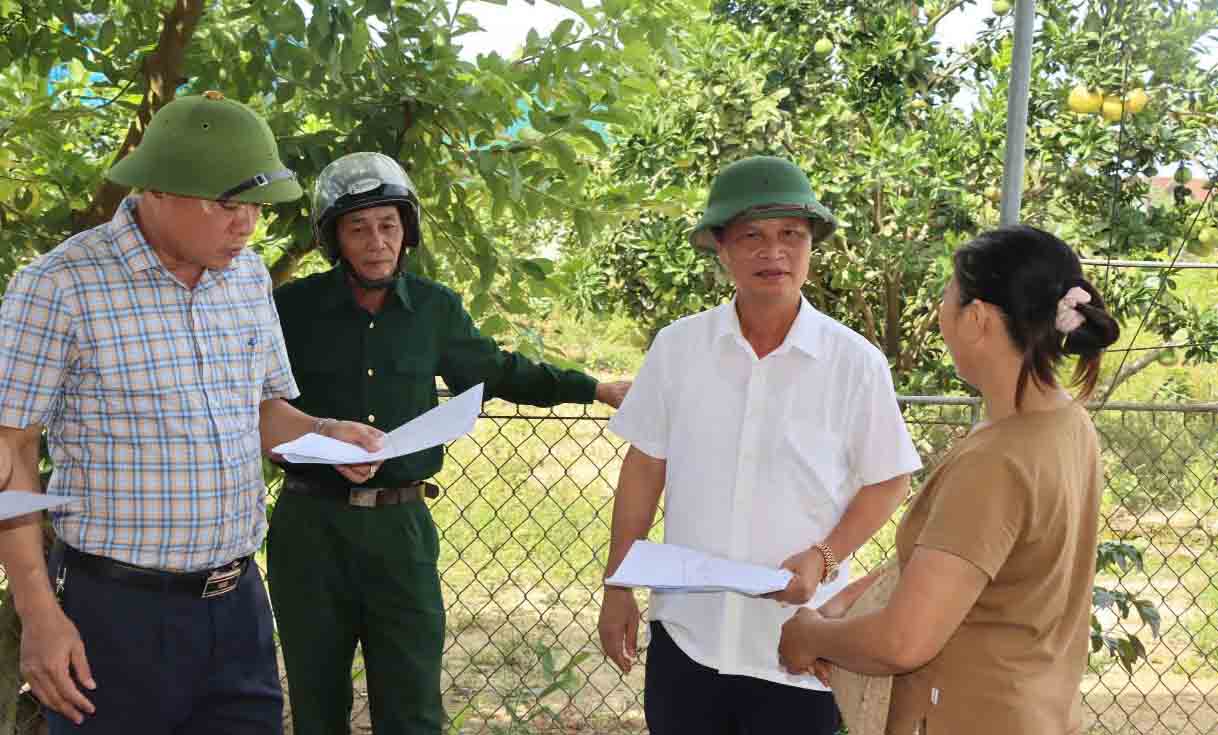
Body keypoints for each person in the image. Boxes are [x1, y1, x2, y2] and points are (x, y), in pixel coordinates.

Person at [0, 92, 383, 735]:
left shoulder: (247, 278)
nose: (247, 227)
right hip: (114, 616)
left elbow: (264, 411)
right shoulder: (60, 285)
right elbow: (10, 448)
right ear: (156, 190)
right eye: (228, 205)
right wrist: (40, 614)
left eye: (256, 208)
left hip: (237, 607)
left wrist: (323, 433)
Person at [268, 151, 631, 735]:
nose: (376, 241)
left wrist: (593, 386)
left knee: (412, 704)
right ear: (334, 238)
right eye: (358, 228)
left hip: (400, 528)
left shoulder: (434, 310)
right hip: (310, 529)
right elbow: (256, 403)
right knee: (315, 699)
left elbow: (499, 370)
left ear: (406, 231)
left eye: (388, 225)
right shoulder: (290, 310)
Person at [597, 155, 923, 735]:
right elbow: (644, 467)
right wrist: (618, 583)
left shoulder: (854, 364)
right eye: (753, 236)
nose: (774, 253)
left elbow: (889, 478)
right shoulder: (679, 349)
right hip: (687, 636)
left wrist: (826, 555)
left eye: (791, 236)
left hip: (798, 646)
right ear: (721, 249)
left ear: (810, 248)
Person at [777, 225, 1121, 734]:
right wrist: (848, 601)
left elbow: (904, 642)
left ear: (977, 318)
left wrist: (811, 636)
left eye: (947, 295)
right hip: (1036, 711)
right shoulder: (1067, 423)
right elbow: (962, 563)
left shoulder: (997, 461)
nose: (940, 312)